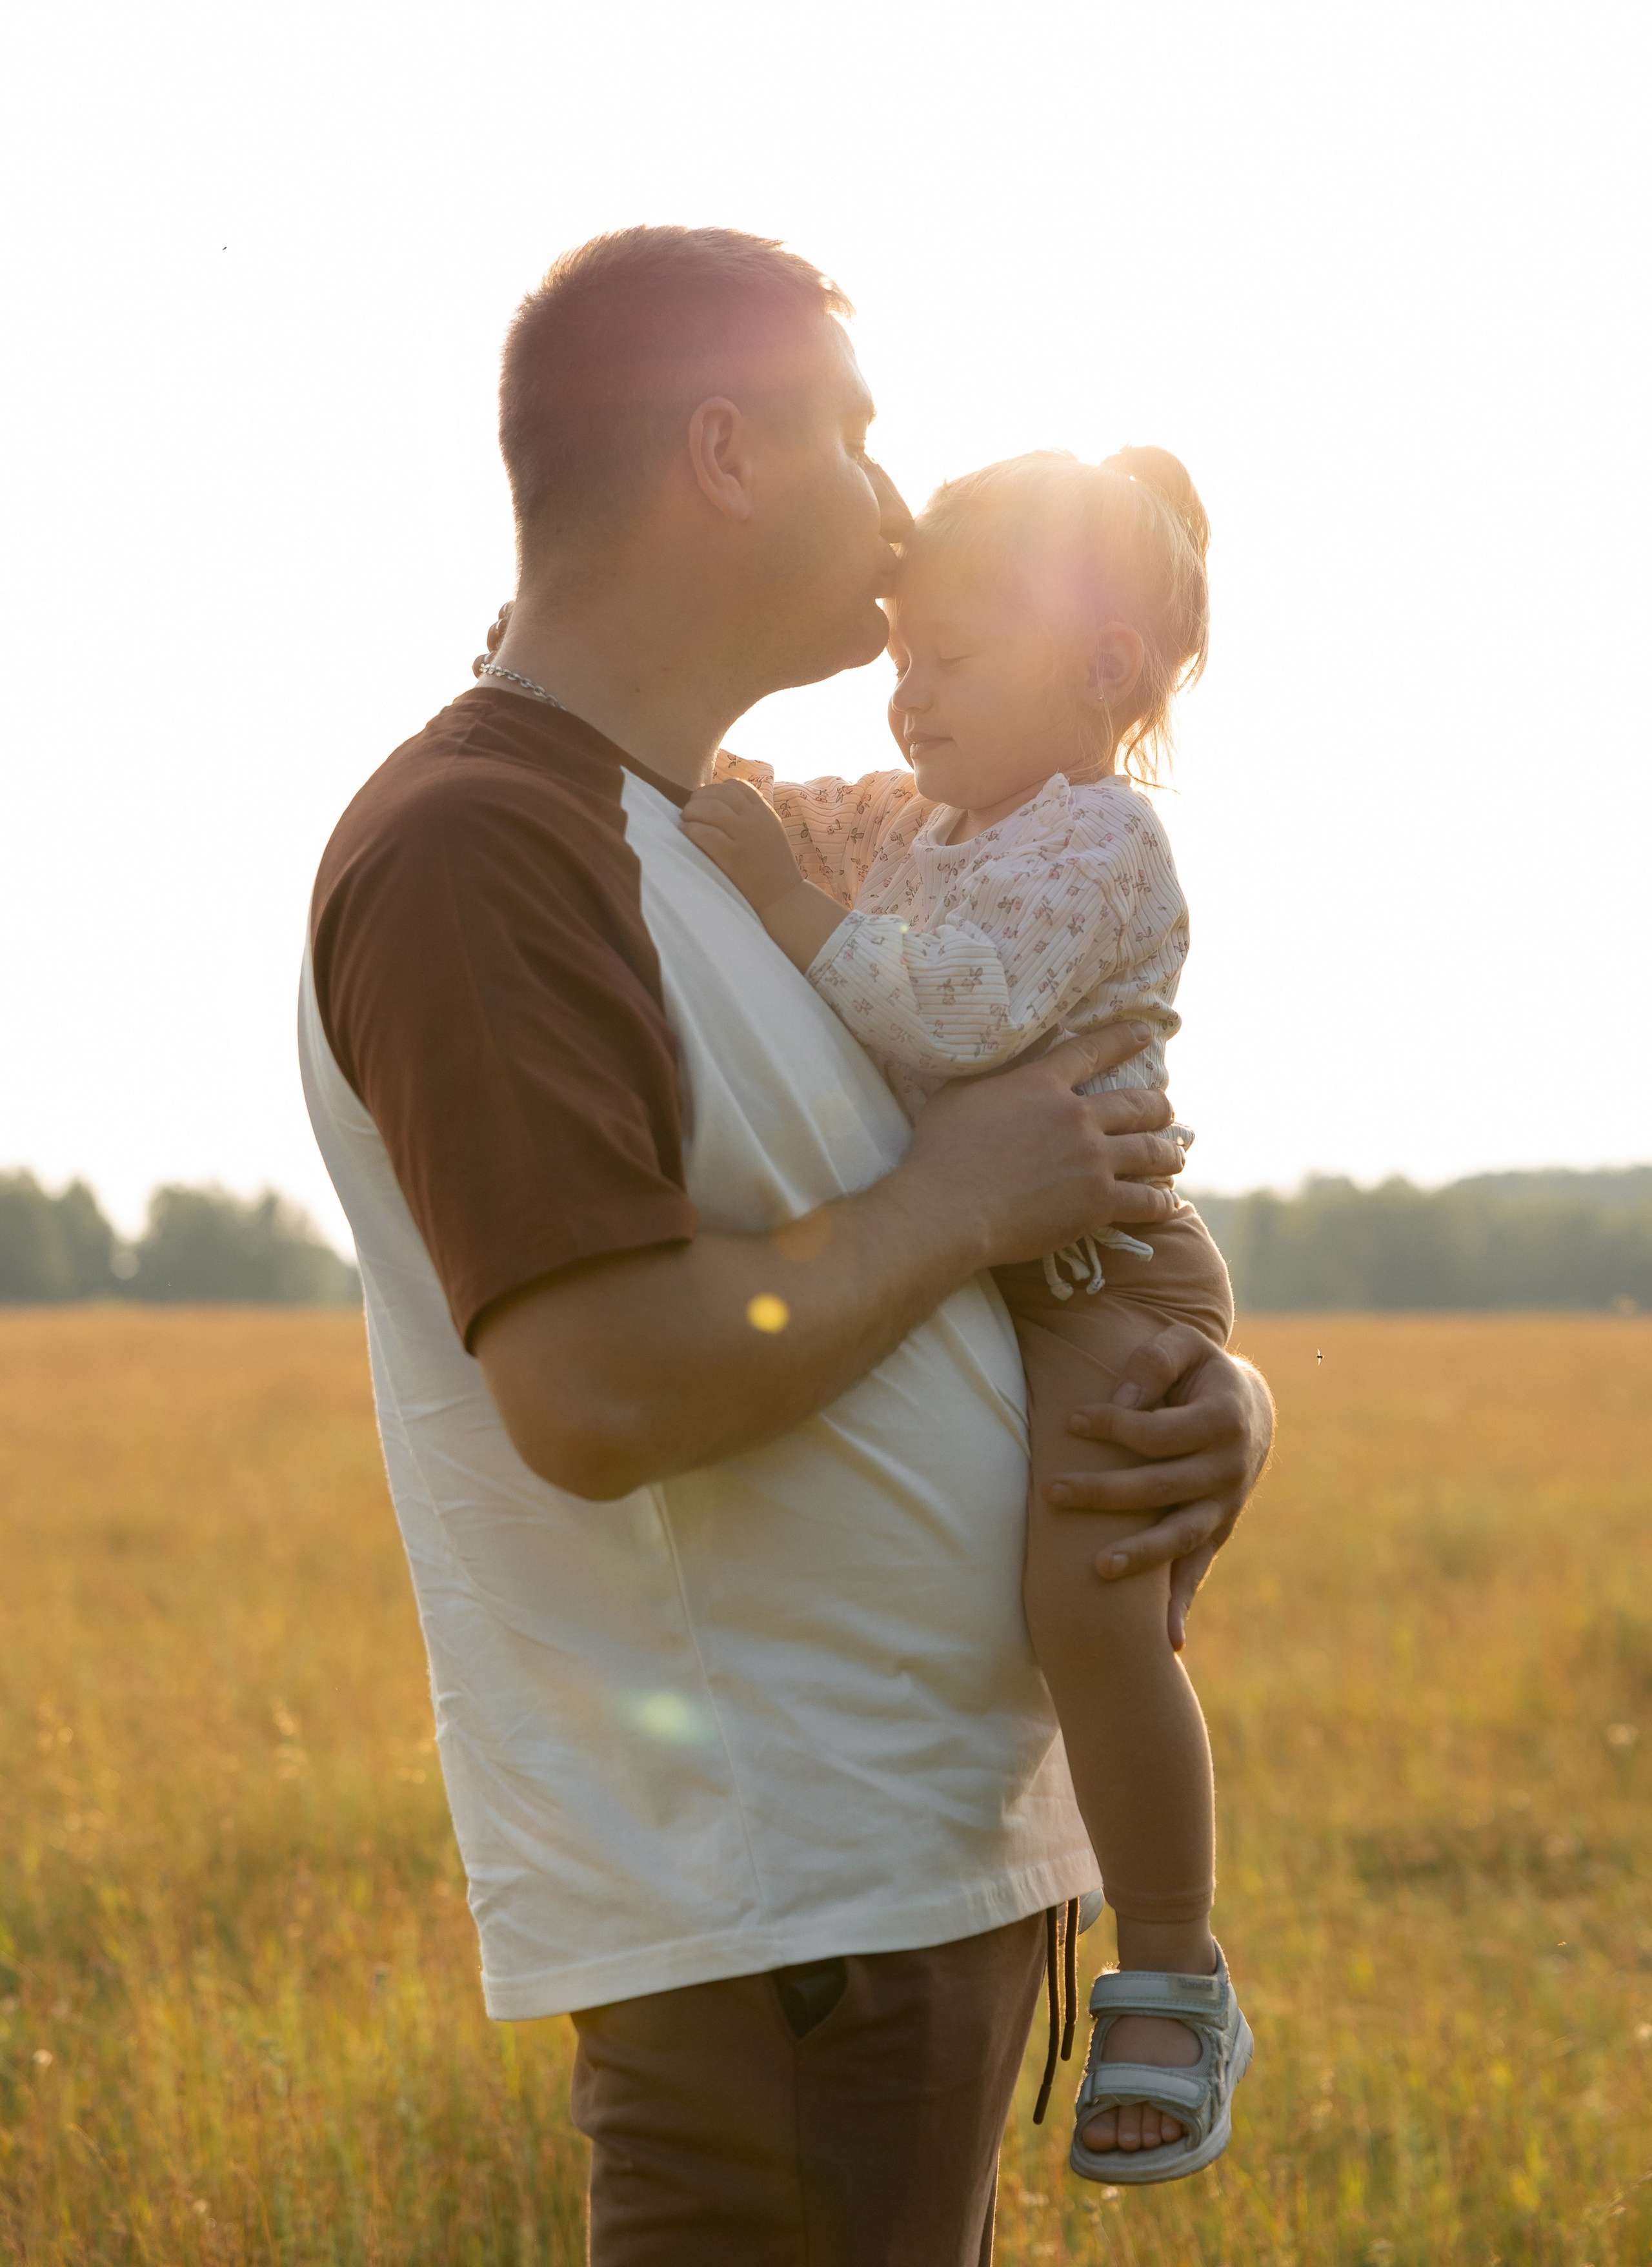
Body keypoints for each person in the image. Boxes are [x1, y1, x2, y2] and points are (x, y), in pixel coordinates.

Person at [299, 224, 1274, 2265]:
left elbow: (932, 1215)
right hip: (784, 1931)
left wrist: (1209, 1406)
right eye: (856, 430)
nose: (901, 500)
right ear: (726, 454)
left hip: (896, 1894)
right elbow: (599, 1388)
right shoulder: (489, 846)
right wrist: (969, 1198)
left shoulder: (700, 826)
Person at [681, 445, 1249, 2185]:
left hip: (1101, 1287)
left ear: (1105, 667)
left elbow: (943, 1014)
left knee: (1093, 1609)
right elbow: (768, 808)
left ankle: (1173, 1965)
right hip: (1013, 1269)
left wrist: (781, 899)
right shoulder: (922, 814)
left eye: (959, 657)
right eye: (903, 656)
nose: (911, 696)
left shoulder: (1098, 844)